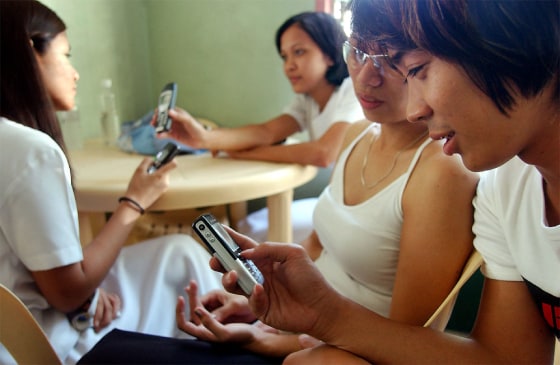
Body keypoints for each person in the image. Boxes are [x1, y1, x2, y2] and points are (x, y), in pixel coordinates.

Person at [77, 3, 479, 362]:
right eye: (358, 52)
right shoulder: (357, 134)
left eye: (392, 60)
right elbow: (318, 246)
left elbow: (401, 342)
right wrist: (262, 302)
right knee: (109, 350)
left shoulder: (441, 173)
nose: (367, 76)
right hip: (296, 332)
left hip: (322, 350)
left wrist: (265, 339)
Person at [206, 0, 559, 364]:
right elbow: (504, 358)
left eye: (415, 68)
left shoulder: (447, 172)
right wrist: (309, 316)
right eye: (357, 54)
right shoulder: (507, 189)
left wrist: (297, 340)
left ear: (506, 40)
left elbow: (413, 327)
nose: (414, 110)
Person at [0, 1, 223, 364]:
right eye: (65, 56)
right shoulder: (31, 151)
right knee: (182, 258)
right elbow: (67, 292)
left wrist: (85, 295)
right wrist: (133, 203)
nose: (74, 74)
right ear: (28, 52)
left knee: (176, 252)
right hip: (37, 343)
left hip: (20, 317)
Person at [162, 11, 365, 244]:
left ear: (330, 54)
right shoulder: (306, 100)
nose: (289, 66)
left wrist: (244, 153)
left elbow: (323, 153)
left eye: (299, 52)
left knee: (256, 237)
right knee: (249, 227)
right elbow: (266, 132)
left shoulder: (351, 89)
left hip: (359, 209)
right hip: (337, 200)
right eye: (284, 56)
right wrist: (205, 139)